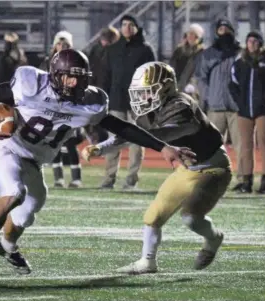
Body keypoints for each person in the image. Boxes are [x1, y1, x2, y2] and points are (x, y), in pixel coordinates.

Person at [0, 49, 196, 278]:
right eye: (69, 77)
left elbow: (122, 127)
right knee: (14, 193)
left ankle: (7, 246)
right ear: (56, 75)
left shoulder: (91, 103)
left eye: (79, 78)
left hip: (35, 161)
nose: (74, 83)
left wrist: (163, 147)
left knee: (30, 209)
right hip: (7, 149)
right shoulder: (31, 84)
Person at [83, 62, 231, 274]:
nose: (143, 98)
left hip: (213, 167)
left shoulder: (181, 105)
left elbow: (174, 131)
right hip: (186, 168)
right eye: (140, 93)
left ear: (166, 88)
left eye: (149, 92)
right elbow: (130, 135)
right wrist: (101, 147)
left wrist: (151, 140)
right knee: (153, 216)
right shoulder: (149, 112)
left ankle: (213, 238)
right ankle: (147, 261)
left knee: (190, 218)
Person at [100, 14, 156, 190]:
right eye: (124, 24)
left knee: (136, 143)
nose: (127, 27)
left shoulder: (146, 50)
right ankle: (108, 180)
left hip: (137, 103)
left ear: (137, 28)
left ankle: (131, 181)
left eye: (131, 24)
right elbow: (106, 76)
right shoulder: (113, 50)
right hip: (115, 101)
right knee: (112, 142)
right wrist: (103, 99)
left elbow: (152, 76)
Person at [195, 18, 242, 189]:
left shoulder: (240, 53)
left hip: (237, 108)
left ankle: (243, 179)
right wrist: (208, 97)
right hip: (215, 107)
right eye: (220, 29)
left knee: (241, 145)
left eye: (226, 29)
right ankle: (209, 178)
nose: (223, 32)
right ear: (216, 32)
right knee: (211, 146)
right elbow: (201, 78)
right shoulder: (208, 54)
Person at [39, 31, 84, 188]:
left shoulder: (77, 61)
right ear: (54, 45)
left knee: (71, 142)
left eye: (65, 44)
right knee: (54, 141)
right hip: (52, 105)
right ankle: (58, 178)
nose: (62, 47)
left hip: (69, 104)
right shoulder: (47, 62)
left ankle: (76, 178)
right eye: (59, 43)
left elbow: (82, 83)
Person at [229, 30, 265, 194]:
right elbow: (233, 84)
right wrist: (240, 102)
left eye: (255, 41)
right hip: (244, 110)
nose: (251, 44)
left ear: (260, 43)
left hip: (263, 110)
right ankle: (246, 181)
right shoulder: (240, 62)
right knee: (245, 146)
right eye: (249, 41)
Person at [169, 23, 204, 101]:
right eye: (189, 34)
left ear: (198, 37)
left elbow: (200, 72)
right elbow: (171, 67)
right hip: (177, 88)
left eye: (193, 35)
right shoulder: (179, 50)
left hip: (192, 91)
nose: (190, 37)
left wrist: (193, 84)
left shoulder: (202, 52)